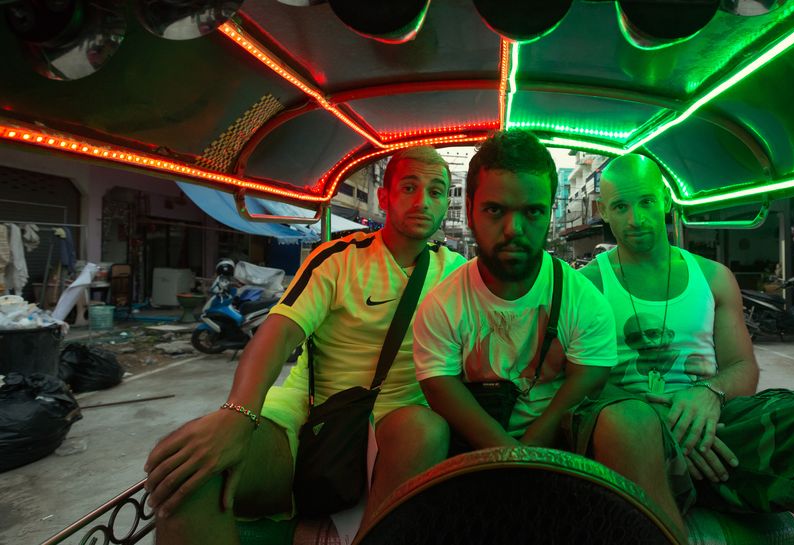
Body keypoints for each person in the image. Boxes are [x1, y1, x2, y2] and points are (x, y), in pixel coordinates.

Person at [143, 146, 466, 544]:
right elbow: (279, 332)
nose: (423, 202)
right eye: (409, 188)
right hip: (313, 414)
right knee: (186, 473)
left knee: (424, 429)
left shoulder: (459, 274)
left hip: (401, 427)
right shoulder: (337, 259)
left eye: (436, 191)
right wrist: (238, 412)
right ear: (384, 197)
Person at [580, 154, 794, 545]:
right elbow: (577, 384)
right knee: (631, 426)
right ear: (604, 211)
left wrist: (709, 392)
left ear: (665, 199)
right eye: (621, 207)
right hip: (631, 437)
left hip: (717, 428)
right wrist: (659, 422)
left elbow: (742, 368)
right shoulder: (588, 286)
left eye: (646, 201)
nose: (636, 219)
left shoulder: (713, 277)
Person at [413, 130, 688, 540]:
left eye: (532, 212)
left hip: (565, 438)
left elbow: (588, 377)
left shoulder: (581, 297)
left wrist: (532, 449)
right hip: (471, 441)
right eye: (494, 210)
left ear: (549, 213)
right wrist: (509, 454)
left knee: (631, 420)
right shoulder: (442, 304)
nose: (514, 229)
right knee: (411, 425)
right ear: (469, 210)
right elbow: (439, 385)